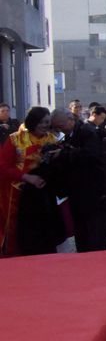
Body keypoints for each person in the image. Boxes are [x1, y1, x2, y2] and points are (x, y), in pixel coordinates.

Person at [0, 107, 61, 256]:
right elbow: (3, 167)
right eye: (42, 122)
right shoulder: (15, 138)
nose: (45, 125)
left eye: (47, 122)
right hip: (16, 193)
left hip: (42, 193)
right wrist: (27, 177)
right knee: (15, 231)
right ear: (33, 121)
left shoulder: (52, 140)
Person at [48, 108, 106, 252]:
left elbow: (92, 155)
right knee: (81, 232)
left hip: (92, 191)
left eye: (61, 126)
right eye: (57, 127)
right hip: (78, 192)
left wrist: (64, 153)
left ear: (70, 120)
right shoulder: (71, 135)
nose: (60, 129)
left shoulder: (87, 132)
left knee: (93, 232)